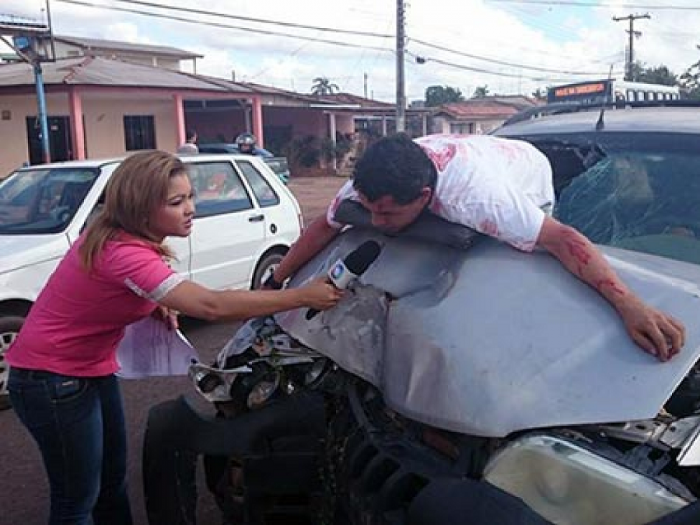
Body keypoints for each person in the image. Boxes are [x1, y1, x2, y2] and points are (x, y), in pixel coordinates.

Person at [5, 150, 342, 525]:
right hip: (51, 379)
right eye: (176, 202)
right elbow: (210, 306)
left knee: (111, 483)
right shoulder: (123, 253)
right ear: (141, 207)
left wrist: (153, 304)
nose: (190, 209)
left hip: (86, 371)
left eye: (190, 197)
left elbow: (104, 291)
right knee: (77, 499)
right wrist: (301, 295)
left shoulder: (114, 235)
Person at [265, 133, 685, 362]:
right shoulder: (367, 188)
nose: (375, 222)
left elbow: (564, 240)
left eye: (388, 215)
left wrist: (630, 304)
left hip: (529, 171)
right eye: (370, 210)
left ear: (426, 195)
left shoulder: (481, 201)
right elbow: (324, 226)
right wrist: (278, 280)